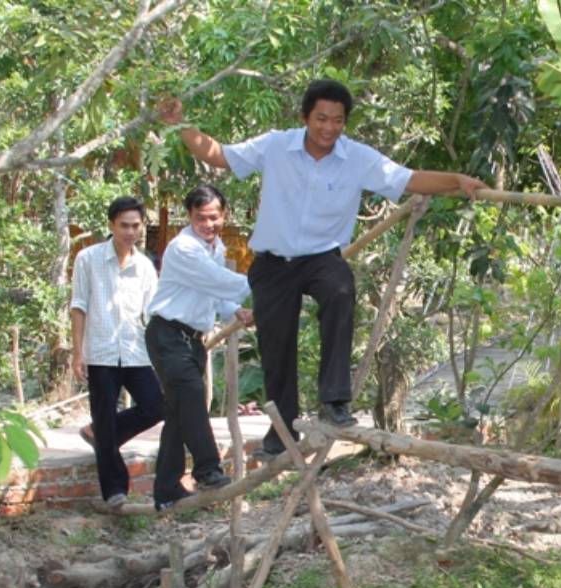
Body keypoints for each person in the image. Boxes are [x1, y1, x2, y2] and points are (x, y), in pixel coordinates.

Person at [158, 78, 488, 458]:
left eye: (338, 121)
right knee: (276, 345)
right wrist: (179, 123)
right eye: (321, 119)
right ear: (305, 118)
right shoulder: (276, 146)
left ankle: (335, 403)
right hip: (273, 263)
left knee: (340, 288)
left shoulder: (358, 158)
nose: (329, 128)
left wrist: (456, 182)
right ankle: (281, 433)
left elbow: (409, 179)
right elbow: (218, 154)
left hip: (320, 258)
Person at [146, 184, 254, 510]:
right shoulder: (184, 249)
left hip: (193, 340)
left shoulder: (215, 248)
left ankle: (166, 489)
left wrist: (234, 310)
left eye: (214, 217)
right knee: (191, 397)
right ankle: (207, 469)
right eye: (200, 218)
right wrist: (273, 280)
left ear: (224, 215)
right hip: (168, 335)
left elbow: (215, 293)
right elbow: (218, 281)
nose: (208, 225)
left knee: (181, 412)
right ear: (190, 217)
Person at [70, 196, 164, 508]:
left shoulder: (145, 267)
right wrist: (77, 352)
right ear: (112, 225)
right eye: (124, 225)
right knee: (105, 416)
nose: (130, 231)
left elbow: (152, 314)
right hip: (100, 352)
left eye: (135, 225)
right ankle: (115, 492)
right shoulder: (88, 259)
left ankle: (99, 433)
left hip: (136, 352)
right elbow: (79, 306)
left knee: (156, 406)